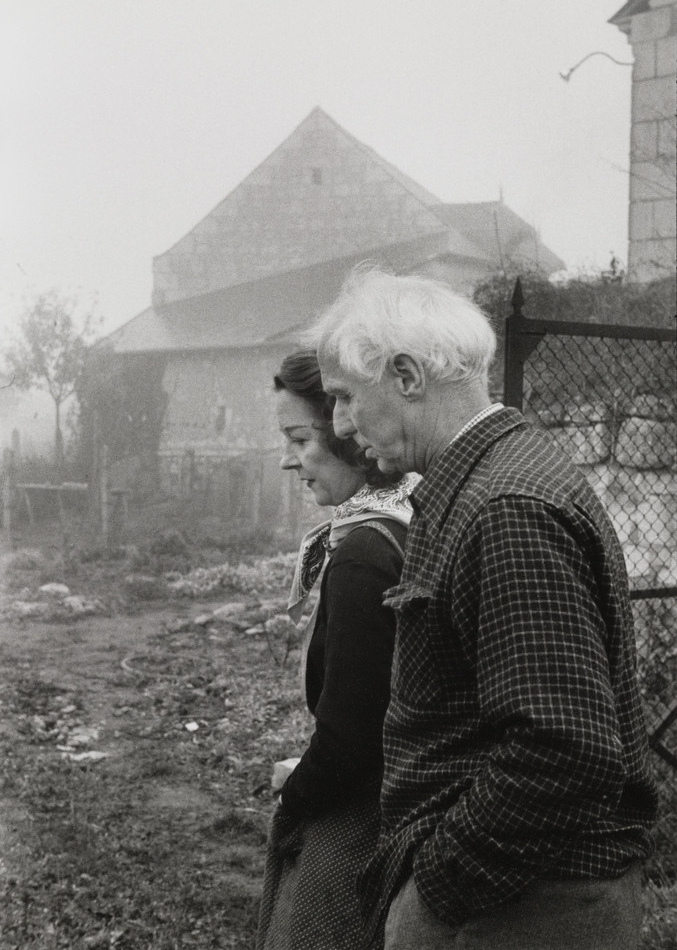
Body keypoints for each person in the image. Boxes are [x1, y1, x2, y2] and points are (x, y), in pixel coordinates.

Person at [309, 269, 657, 950]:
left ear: (407, 377)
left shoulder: (502, 508)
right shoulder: (487, 482)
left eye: (346, 398)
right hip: (515, 896)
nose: (343, 427)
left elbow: (562, 750)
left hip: (517, 909)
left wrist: (437, 891)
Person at [256, 349, 417, 950]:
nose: (285, 460)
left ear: (348, 435)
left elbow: (354, 737)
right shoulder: (405, 523)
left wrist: (296, 793)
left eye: (300, 438)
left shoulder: (363, 555)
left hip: (366, 820)